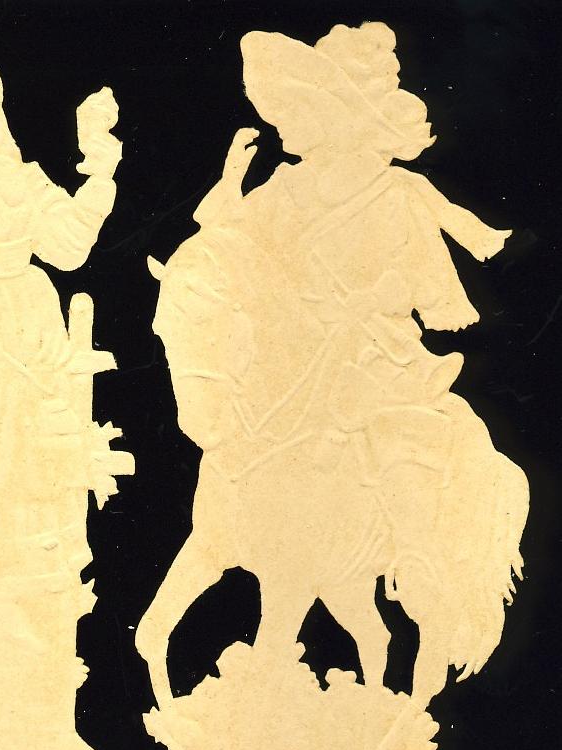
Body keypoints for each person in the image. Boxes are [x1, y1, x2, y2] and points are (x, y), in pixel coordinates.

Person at [139, 23, 527, 708]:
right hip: (290, 354)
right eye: (286, 107)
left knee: (399, 441)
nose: (286, 122)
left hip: (373, 357)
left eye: (302, 108)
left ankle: (418, 562)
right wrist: (229, 186)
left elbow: (427, 293)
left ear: (345, 117)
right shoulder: (283, 190)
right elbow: (228, 248)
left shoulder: (397, 194)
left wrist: (373, 298)